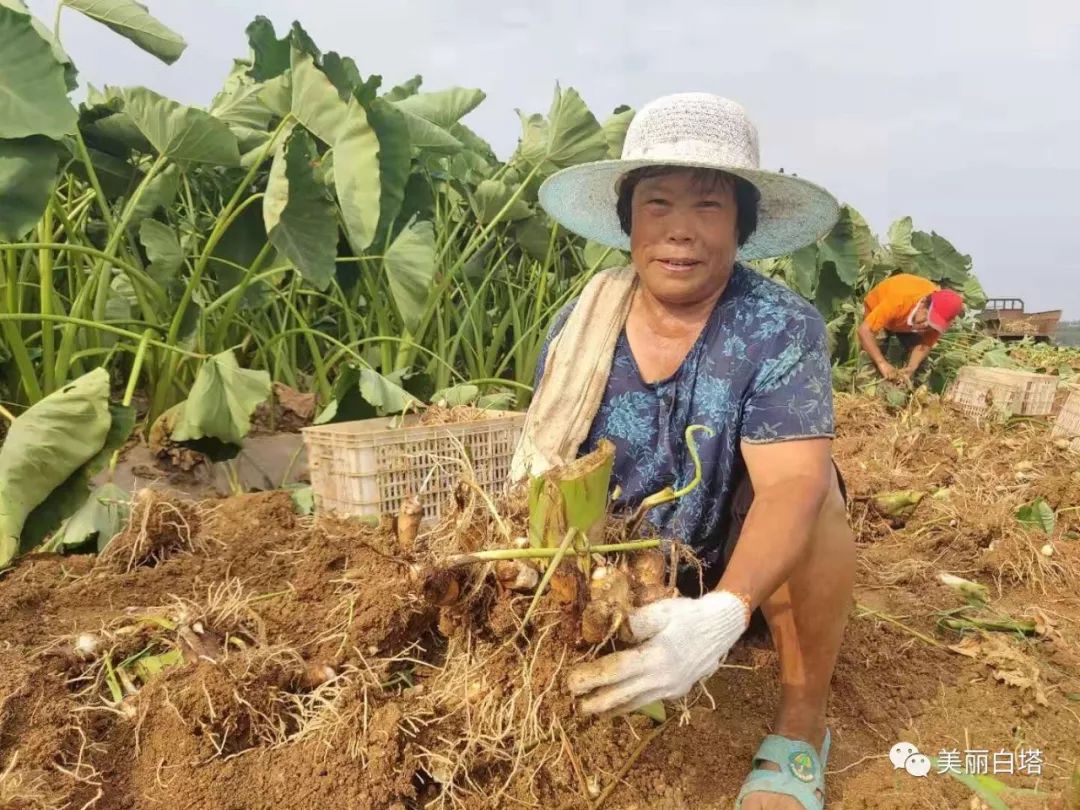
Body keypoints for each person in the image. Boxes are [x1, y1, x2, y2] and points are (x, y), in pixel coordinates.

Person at [509, 93, 855, 810]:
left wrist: (726, 611)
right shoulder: (583, 321)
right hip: (622, 568)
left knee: (817, 496)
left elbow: (791, 484)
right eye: (658, 203)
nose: (680, 232)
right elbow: (548, 464)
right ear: (628, 220)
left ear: (742, 225)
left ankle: (799, 729)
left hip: (743, 567)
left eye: (708, 207)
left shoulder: (779, 326)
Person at [857, 273, 964, 383]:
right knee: (871, 356)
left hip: (907, 323)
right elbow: (864, 331)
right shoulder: (899, 299)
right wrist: (881, 363)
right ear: (922, 304)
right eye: (928, 320)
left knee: (920, 368)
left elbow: (925, 344)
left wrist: (911, 368)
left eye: (933, 324)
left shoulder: (940, 317)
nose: (927, 326)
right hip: (878, 309)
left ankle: (907, 392)